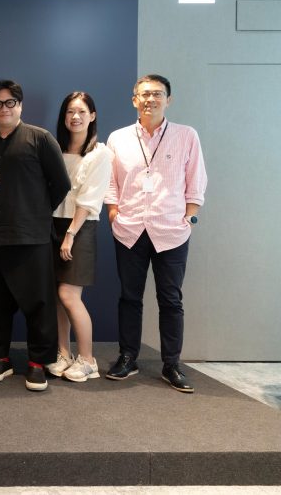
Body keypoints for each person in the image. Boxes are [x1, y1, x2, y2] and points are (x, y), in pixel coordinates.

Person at [104, 74, 207, 393]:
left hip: (171, 231)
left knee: (171, 300)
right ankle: (127, 357)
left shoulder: (186, 135)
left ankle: (172, 364)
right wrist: (113, 213)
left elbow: (196, 180)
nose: (150, 99)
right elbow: (110, 182)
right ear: (134, 99)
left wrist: (189, 218)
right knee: (129, 298)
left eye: (157, 94)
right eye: (144, 94)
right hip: (130, 229)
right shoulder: (118, 137)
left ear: (168, 99)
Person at [0, 80, 71, 392]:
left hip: (32, 238)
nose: (5, 108)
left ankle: (37, 362)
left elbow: (61, 184)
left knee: (39, 303)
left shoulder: (40, 138)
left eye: (11, 102)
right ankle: (0, 358)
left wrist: (36, 213)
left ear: (21, 105)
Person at [47, 92, 113, 383]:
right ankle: (64, 353)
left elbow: (88, 200)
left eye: (82, 112)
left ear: (92, 115)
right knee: (55, 297)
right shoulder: (54, 149)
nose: (75, 117)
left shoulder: (101, 153)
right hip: (51, 224)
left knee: (68, 294)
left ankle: (87, 359)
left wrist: (70, 234)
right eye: (70, 112)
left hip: (79, 228)